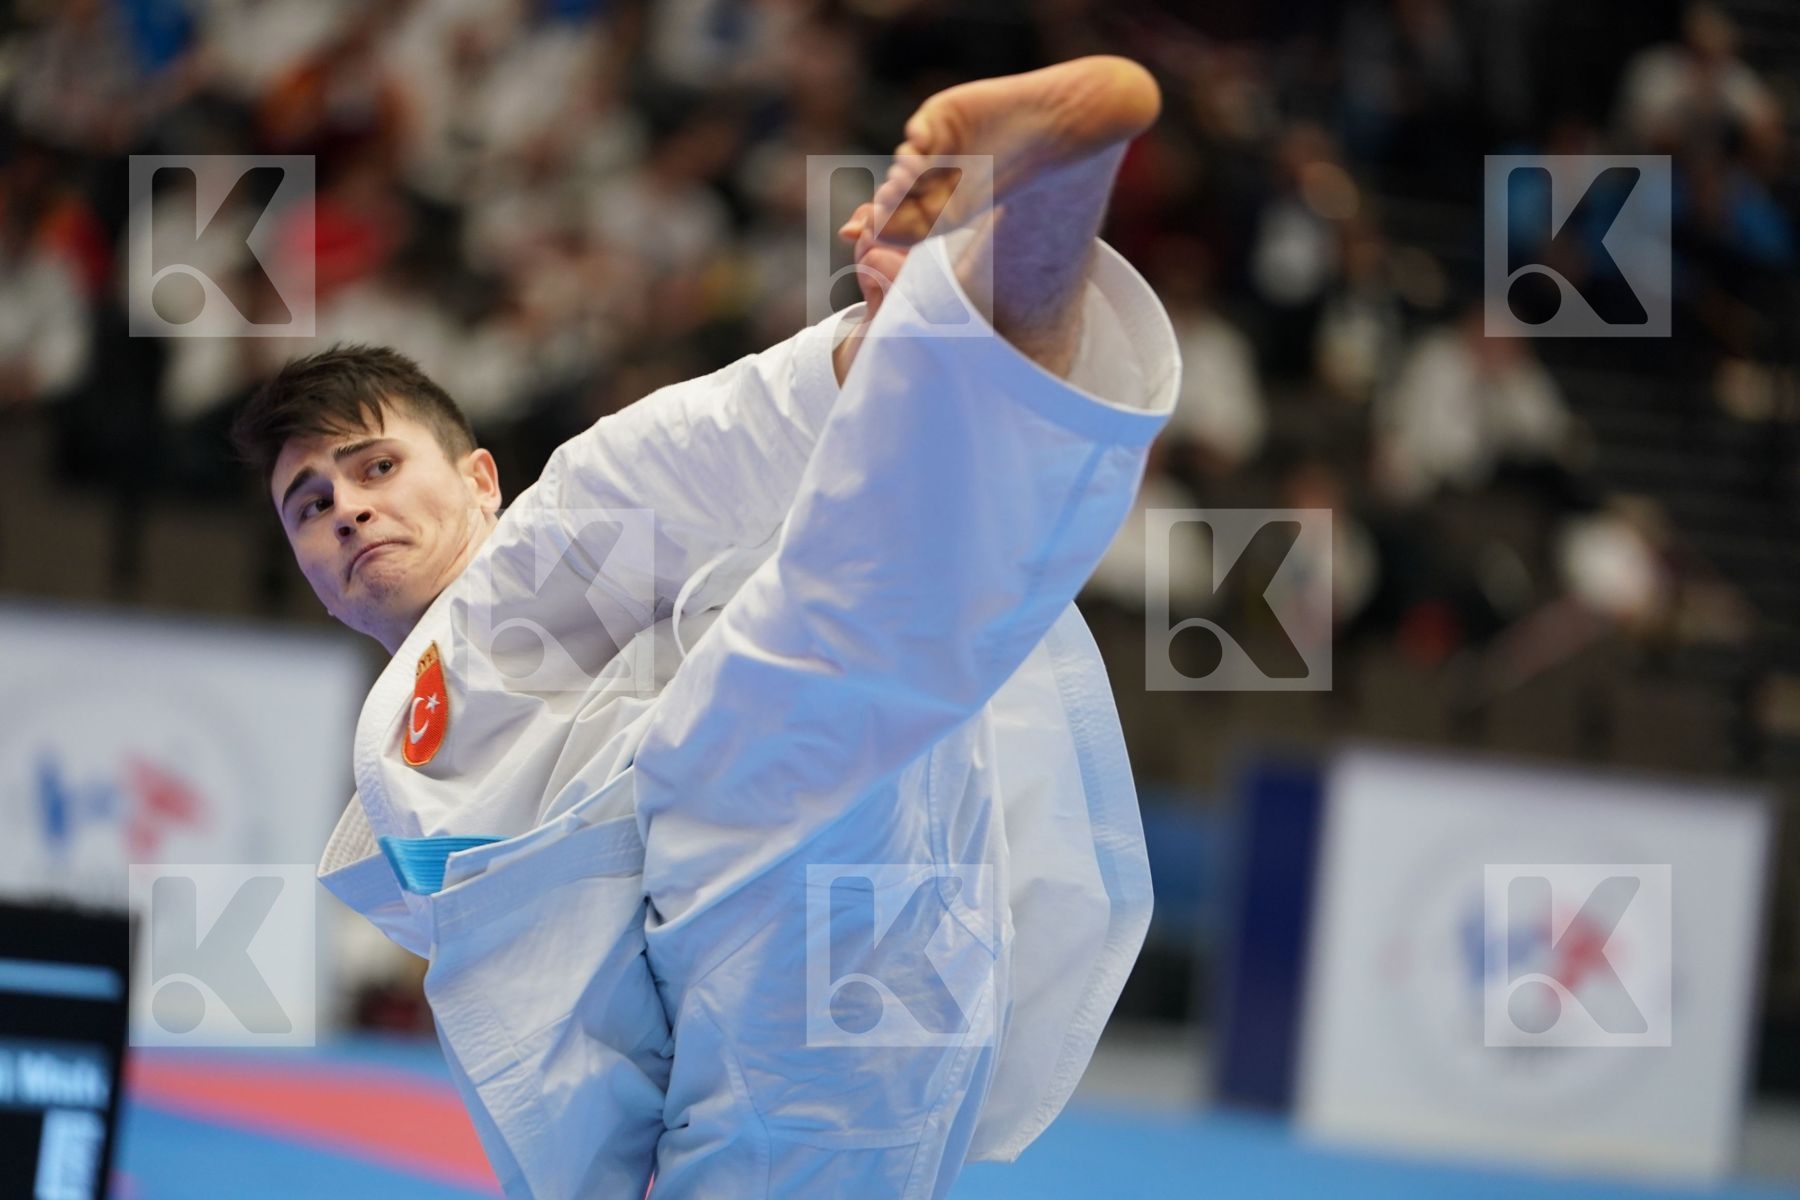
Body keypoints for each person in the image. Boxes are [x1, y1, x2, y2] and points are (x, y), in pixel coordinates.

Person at [231, 56, 1179, 1199]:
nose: (352, 511)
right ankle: (1055, 187)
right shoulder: (406, 769)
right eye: (311, 507)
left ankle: (1029, 212)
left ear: (483, 480)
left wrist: (865, 356)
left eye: (376, 466)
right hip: (844, 922)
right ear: (305, 571)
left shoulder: (558, 534)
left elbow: (734, 432)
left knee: (829, 611)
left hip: (773, 883)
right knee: (915, 533)